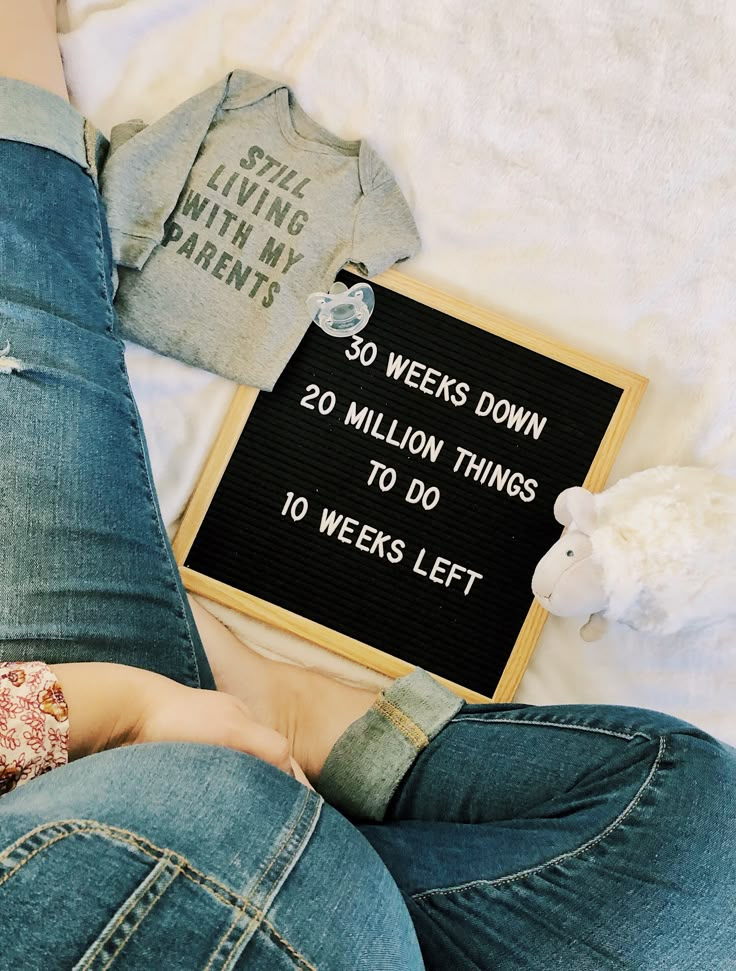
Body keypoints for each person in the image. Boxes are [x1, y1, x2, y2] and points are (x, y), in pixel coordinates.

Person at [1, 4, 734, 968]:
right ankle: (283, 726)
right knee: (698, 854)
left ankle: (283, 710)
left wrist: (132, 713)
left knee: (33, 348)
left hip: (122, 838)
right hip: (290, 894)